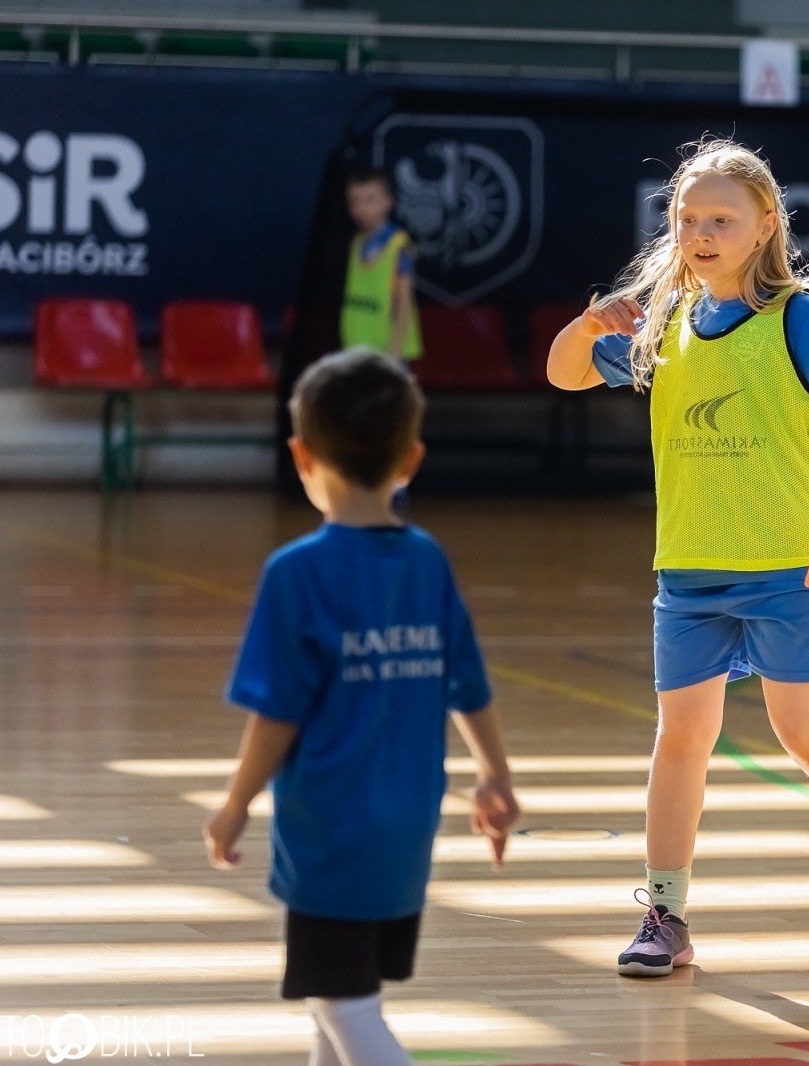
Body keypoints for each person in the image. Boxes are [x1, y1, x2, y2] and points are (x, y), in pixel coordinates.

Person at [546, 139, 809, 978]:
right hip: (688, 574)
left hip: (789, 567)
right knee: (680, 737)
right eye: (687, 218)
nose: (702, 232)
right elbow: (565, 374)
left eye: (722, 218)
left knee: (806, 733)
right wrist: (587, 324)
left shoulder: (798, 316)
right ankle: (666, 913)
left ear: (766, 226)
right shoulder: (665, 323)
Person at [202, 348, 517, 1064]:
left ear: (300, 455)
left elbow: (277, 712)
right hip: (405, 832)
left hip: (329, 836)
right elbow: (467, 682)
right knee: (336, 1008)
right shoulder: (426, 560)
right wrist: (495, 775)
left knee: (343, 1006)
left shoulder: (297, 574)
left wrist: (234, 803)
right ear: (411, 458)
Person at [341, 167, 423, 361]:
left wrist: (394, 351)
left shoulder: (398, 245)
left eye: (370, 200)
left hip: (387, 350)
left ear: (387, 202)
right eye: (354, 201)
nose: (361, 208)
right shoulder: (356, 242)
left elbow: (403, 302)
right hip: (357, 345)